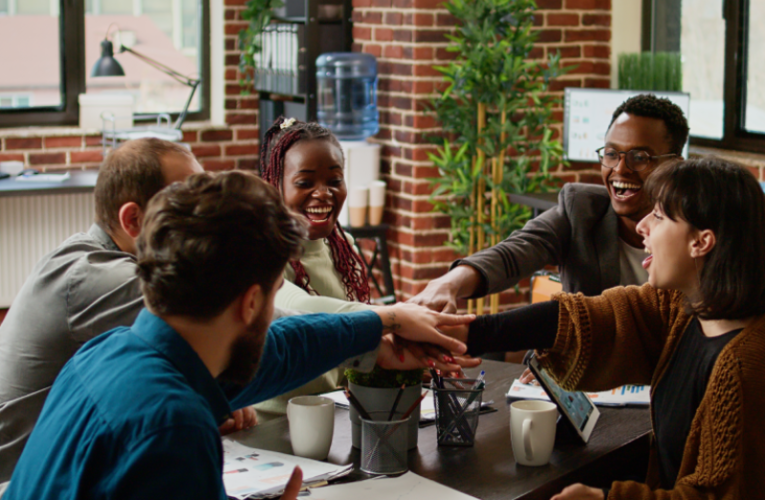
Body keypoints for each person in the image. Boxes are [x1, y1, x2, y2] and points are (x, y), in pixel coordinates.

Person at [3, 170, 475, 500]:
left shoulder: (106, 352)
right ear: (251, 303)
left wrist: (383, 323)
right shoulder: (173, 424)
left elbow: (283, 350)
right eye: (272, 297)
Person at [459, 157, 765, 499]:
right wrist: (467, 333)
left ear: (701, 242)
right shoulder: (685, 308)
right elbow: (590, 318)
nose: (642, 226)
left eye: (660, 216)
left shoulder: (743, 365)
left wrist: (603, 499)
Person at [0, 138, 252, 488]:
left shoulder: (87, 256)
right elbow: (242, 318)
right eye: (188, 203)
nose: (206, 214)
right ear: (133, 219)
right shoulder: (98, 278)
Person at [254, 118, 478, 418]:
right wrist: (395, 318)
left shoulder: (344, 246)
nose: (323, 193)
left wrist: (405, 362)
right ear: (274, 184)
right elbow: (303, 309)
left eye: (334, 181)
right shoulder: (262, 254)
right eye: (305, 183)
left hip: (336, 417)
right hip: (271, 427)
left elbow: (350, 345)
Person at [409, 94, 690, 312]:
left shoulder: (698, 229)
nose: (620, 169)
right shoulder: (583, 211)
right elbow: (517, 251)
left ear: (675, 165)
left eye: (639, 157)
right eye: (611, 154)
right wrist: (449, 283)